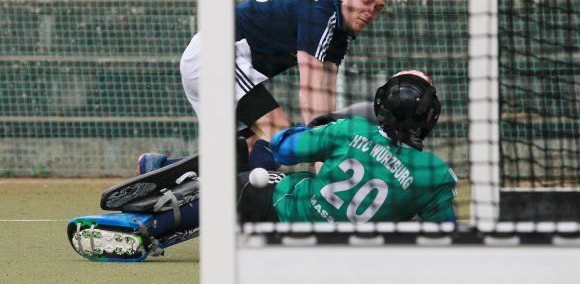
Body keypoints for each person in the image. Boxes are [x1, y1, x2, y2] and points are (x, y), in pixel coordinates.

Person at [68, 70, 458, 262]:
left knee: (241, 185)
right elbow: (444, 240)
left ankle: (151, 224)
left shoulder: (350, 131)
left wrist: (321, 128)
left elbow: (284, 147)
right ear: (431, 117)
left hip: (284, 210)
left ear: (381, 106)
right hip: (340, 256)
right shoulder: (436, 176)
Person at [138, 0, 394, 174]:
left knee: (247, 152)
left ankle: (161, 169)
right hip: (213, 57)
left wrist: (324, 145)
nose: (370, 12)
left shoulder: (339, 36)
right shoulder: (320, 14)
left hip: (214, 61)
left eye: (378, 8)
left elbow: (325, 99)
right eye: (366, 0)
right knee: (281, 133)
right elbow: (310, 91)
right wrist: (322, 153)